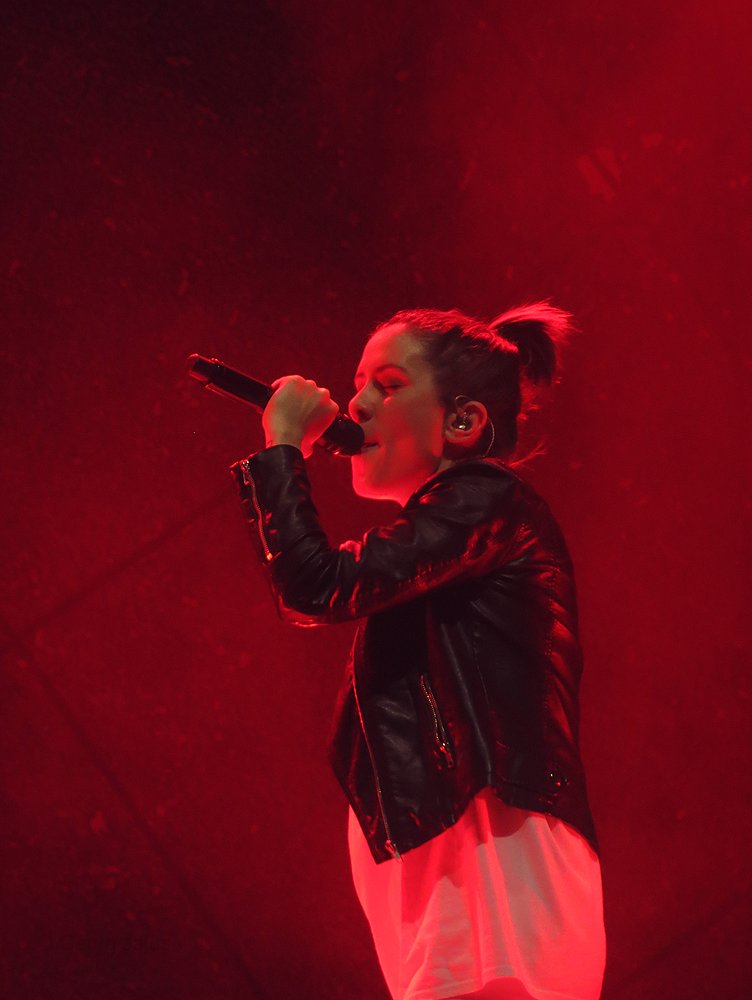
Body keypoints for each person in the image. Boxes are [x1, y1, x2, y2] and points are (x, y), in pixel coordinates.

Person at [230, 304, 606, 1000]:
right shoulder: (457, 535)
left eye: (389, 384)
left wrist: (282, 448)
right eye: (358, 384)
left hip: (493, 848)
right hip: (467, 850)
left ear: (462, 422)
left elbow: (317, 585)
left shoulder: (487, 500)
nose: (356, 405)